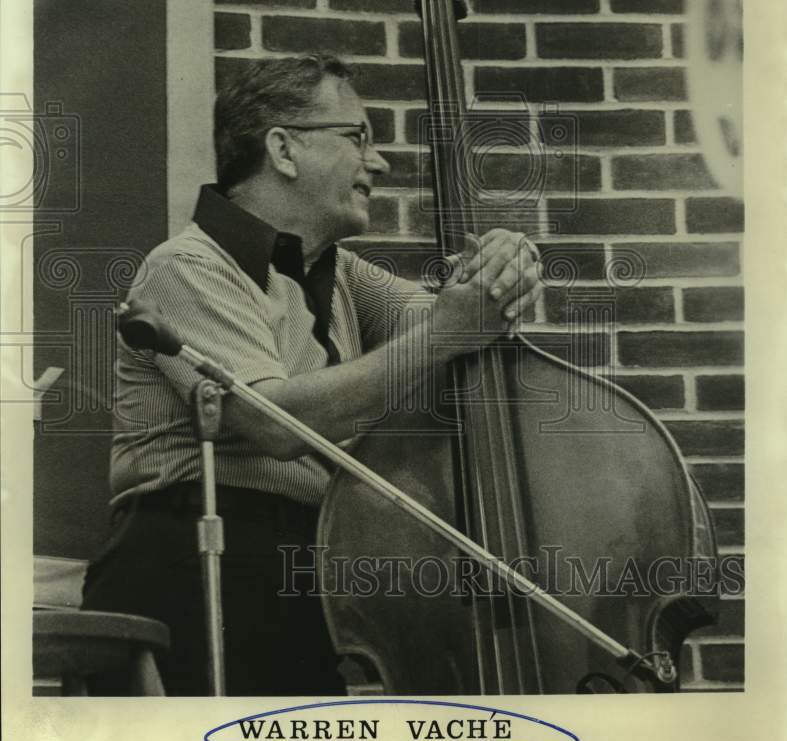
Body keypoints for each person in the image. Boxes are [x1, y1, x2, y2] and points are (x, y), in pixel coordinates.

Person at [81, 54, 543, 695]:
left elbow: (460, 329)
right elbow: (272, 423)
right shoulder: (186, 266)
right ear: (284, 149)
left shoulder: (343, 275)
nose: (377, 163)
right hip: (196, 567)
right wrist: (447, 331)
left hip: (304, 570)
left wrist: (503, 267)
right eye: (358, 137)